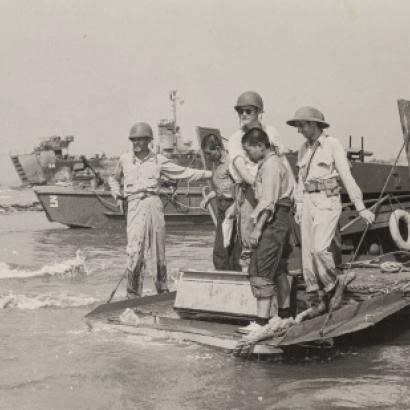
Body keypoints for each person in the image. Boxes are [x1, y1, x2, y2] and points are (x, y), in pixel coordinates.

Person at [287, 107, 375, 316]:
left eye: (301, 125)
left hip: (327, 200)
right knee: (307, 255)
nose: (298, 129)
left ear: (313, 124)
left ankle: (334, 287)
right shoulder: (302, 149)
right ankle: (317, 300)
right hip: (307, 202)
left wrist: (360, 207)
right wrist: (299, 206)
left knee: (319, 249)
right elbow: (301, 181)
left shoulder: (333, 145)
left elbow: (347, 177)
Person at [109, 122, 212, 298]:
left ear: (149, 140)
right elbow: (114, 178)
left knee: (158, 249)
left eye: (141, 139)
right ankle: (133, 293)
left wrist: (210, 174)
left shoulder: (158, 160)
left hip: (153, 203)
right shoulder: (124, 159)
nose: (137, 143)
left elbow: (183, 172)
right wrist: (117, 195)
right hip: (134, 205)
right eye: (134, 140)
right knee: (134, 249)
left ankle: (162, 289)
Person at [228, 91, 294, 319]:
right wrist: (259, 183)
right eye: (240, 111)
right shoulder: (236, 138)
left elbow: (282, 163)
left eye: (249, 110)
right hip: (252, 194)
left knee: (274, 258)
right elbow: (240, 167)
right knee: (251, 253)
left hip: (270, 196)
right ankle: (257, 311)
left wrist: (292, 192)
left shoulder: (271, 136)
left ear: (259, 112)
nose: (244, 114)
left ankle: (275, 314)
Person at [239, 127, 294, 331]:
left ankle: (261, 323)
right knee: (278, 268)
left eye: (249, 150)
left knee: (261, 267)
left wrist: (257, 230)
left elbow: (268, 202)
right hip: (280, 220)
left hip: (272, 221)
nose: (247, 155)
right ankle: (285, 315)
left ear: (261, 146)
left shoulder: (271, 166)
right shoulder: (276, 163)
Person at [200, 133, 241, 270]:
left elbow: (241, 187)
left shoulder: (231, 162)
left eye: (209, 153)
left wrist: (234, 207)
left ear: (218, 148)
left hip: (233, 207)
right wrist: (208, 197)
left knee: (228, 249)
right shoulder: (215, 163)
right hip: (222, 207)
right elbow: (221, 188)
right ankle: (225, 276)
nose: (207, 157)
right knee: (223, 247)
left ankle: (231, 277)